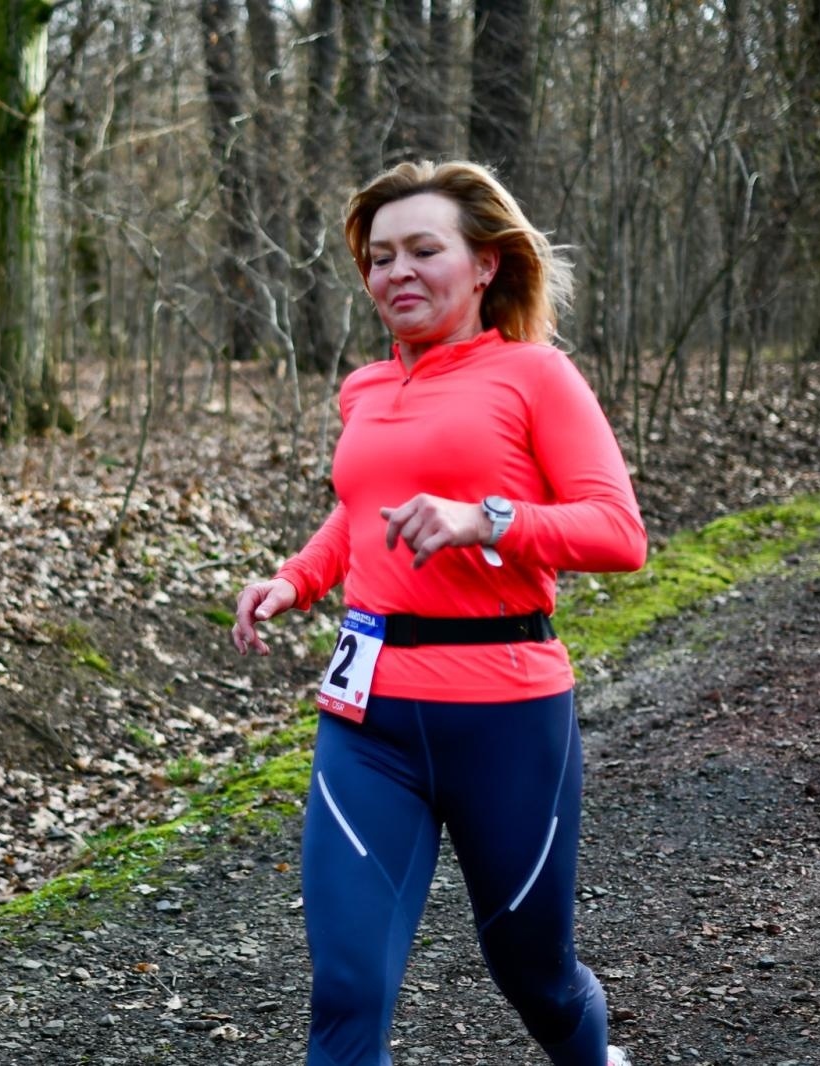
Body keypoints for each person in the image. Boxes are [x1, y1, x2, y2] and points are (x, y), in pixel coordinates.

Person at [230, 159, 646, 1066]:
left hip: (507, 715)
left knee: (535, 976)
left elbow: (619, 533)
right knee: (347, 986)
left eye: (424, 250)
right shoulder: (365, 388)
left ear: (485, 264)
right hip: (368, 718)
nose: (397, 272)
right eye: (380, 257)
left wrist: (485, 519)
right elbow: (362, 510)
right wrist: (297, 579)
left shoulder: (536, 376)